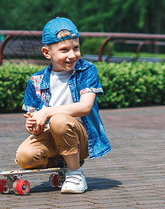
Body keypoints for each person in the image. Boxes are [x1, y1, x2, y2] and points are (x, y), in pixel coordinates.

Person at [15, 17, 111, 194]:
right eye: (64, 50)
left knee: (59, 120)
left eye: (76, 48)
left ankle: (75, 174)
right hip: (52, 134)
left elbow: (85, 107)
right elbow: (35, 119)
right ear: (46, 52)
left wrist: (48, 112)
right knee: (25, 157)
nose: (72, 55)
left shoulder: (86, 70)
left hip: (81, 136)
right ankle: (63, 163)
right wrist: (33, 126)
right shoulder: (36, 81)